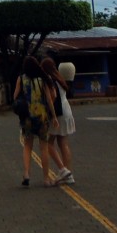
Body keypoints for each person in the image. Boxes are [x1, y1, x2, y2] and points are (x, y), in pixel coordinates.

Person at [12, 55, 59, 187]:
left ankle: (26, 174)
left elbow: (15, 96)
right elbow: (49, 99)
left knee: (27, 146)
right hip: (42, 117)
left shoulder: (21, 79)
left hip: (27, 117)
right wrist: (54, 117)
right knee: (43, 148)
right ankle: (46, 178)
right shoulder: (42, 80)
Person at [42, 57, 76, 185]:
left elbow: (52, 97)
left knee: (49, 142)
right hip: (67, 109)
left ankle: (63, 170)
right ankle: (68, 174)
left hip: (58, 112)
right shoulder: (60, 78)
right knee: (63, 142)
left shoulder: (49, 80)